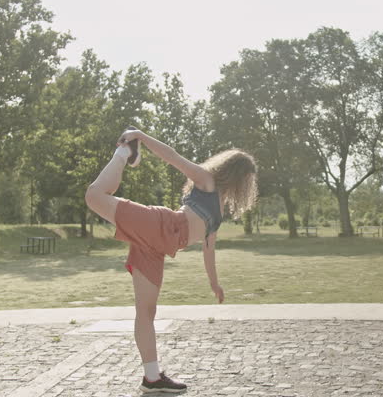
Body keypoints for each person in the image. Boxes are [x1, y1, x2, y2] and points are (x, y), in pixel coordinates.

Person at [85, 127, 257, 393]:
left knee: (146, 311)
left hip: (157, 248)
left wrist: (215, 284)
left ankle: (152, 378)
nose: (246, 187)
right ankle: (124, 151)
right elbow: (172, 156)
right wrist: (141, 136)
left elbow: (209, 250)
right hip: (160, 226)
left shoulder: (219, 210)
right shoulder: (207, 181)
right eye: (246, 180)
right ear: (236, 175)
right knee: (94, 196)